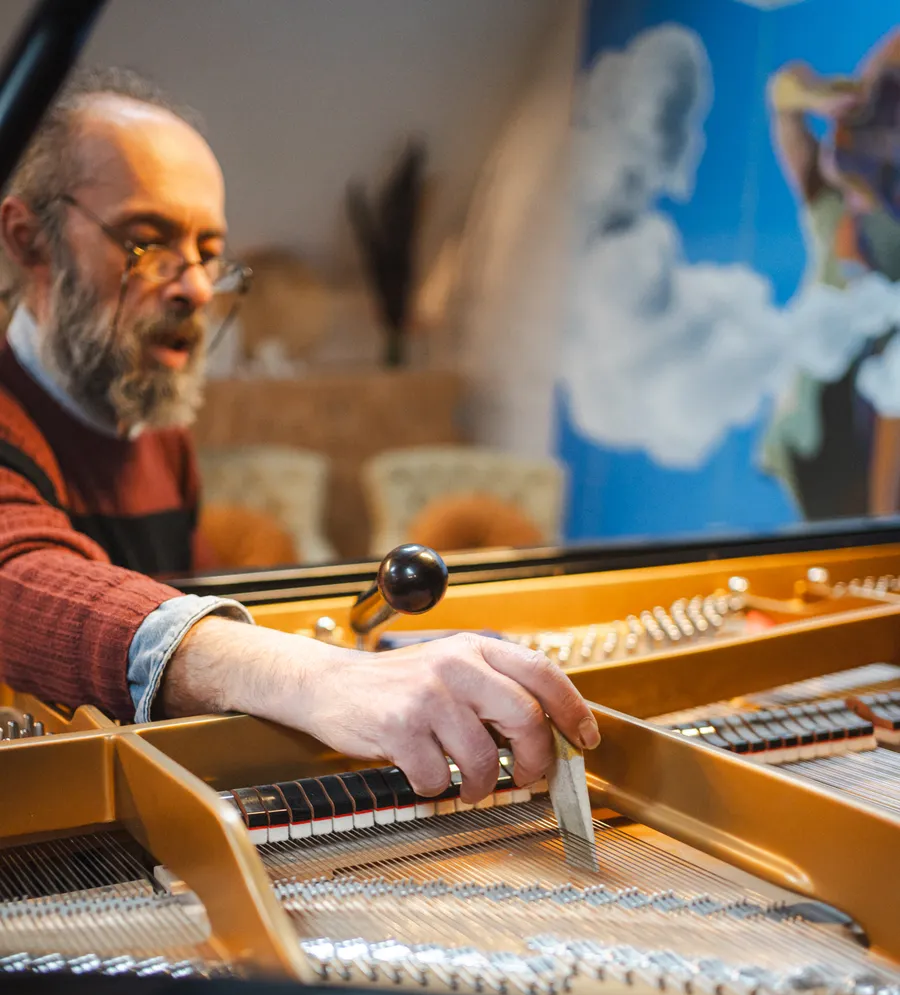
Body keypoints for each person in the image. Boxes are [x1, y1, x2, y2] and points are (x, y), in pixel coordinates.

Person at [0, 68, 599, 801]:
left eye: (208, 251)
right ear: (32, 241)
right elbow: (18, 578)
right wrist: (315, 679)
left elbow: (192, 592)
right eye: (147, 242)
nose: (192, 287)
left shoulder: (152, 430)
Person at [763, 31, 900, 520]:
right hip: (813, 435)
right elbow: (784, 97)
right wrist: (812, 93)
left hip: (864, 449)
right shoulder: (830, 208)